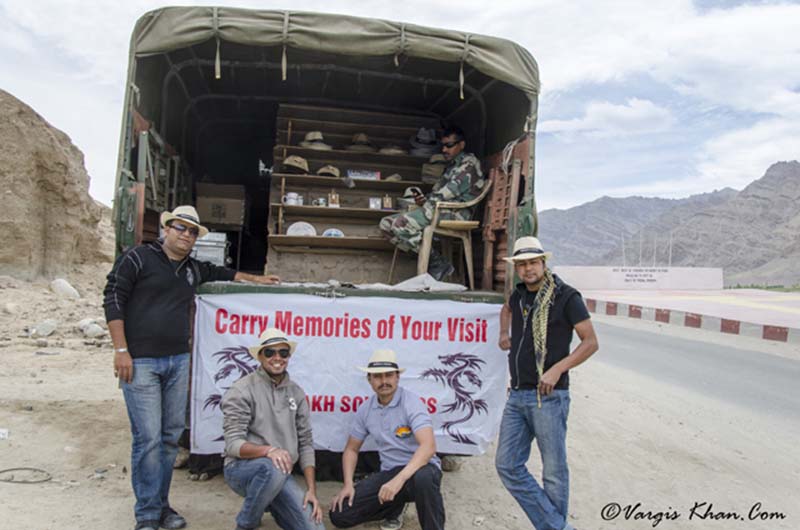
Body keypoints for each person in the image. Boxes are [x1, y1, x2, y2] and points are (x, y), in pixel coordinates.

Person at [103, 205, 280, 530]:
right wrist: (120, 350)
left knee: (170, 438)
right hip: (140, 362)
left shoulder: (192, 268)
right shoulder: (138, 258)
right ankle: (146, 515)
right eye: (181, 228)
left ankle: (162, 506)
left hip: (177, 361)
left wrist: (258, 279)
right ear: (166, 229)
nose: (186, 235)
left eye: (192, 231)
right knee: (148, 439)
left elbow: (225, 274)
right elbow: (113, 297)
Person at [495, 236, 599, 530]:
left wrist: (556, 370)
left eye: (533, 262)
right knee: (507, 465)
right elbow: (506, 309)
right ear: (517, 268)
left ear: (543, 263)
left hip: (549, 397)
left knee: (553, 472)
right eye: (522, 264)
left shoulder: (566, 296)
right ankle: (558, 527)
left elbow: (590, 343)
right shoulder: (518, 296)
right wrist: (504, 333)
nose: (528, 269)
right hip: (517, 396)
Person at [221, 328, 324, 530]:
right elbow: (233, 445)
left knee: (315, 528)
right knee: (273, 466)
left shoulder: (297, 392)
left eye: (283, 353)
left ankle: (269, 502)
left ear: (289, 356)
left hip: (281, 474)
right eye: (270, 352)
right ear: (260, 356)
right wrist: (269, 450)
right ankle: (246, 524)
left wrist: (311, 490)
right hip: (241, 470)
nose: (277, 358)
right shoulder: (241, 390)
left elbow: (306, 443)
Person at [330, 349, 444, 530]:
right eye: (377, 376)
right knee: (339, 514)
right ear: (369, 380)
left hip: (419, 470)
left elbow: (428, 447)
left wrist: (398, 481)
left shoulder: (412, 403)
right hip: (389, 474)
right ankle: (394, 507)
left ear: (397, 377)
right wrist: (348, 484)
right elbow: (351, 449)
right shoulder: (365, 409)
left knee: (424, 478)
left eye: (389, 375)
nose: (384, 382)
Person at [379, 124, 484, 281]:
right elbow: (437, 192)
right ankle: (436, 260)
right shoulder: (451, 166)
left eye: (449, 145)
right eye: (443, 146)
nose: (444, 150)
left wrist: (429, 201)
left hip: (457, 213)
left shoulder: (469, 164)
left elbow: (450, 191)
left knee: (401, 224)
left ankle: (436, 263)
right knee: (386, 224)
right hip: (439, 209)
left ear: (461, 145)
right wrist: (424, 200)